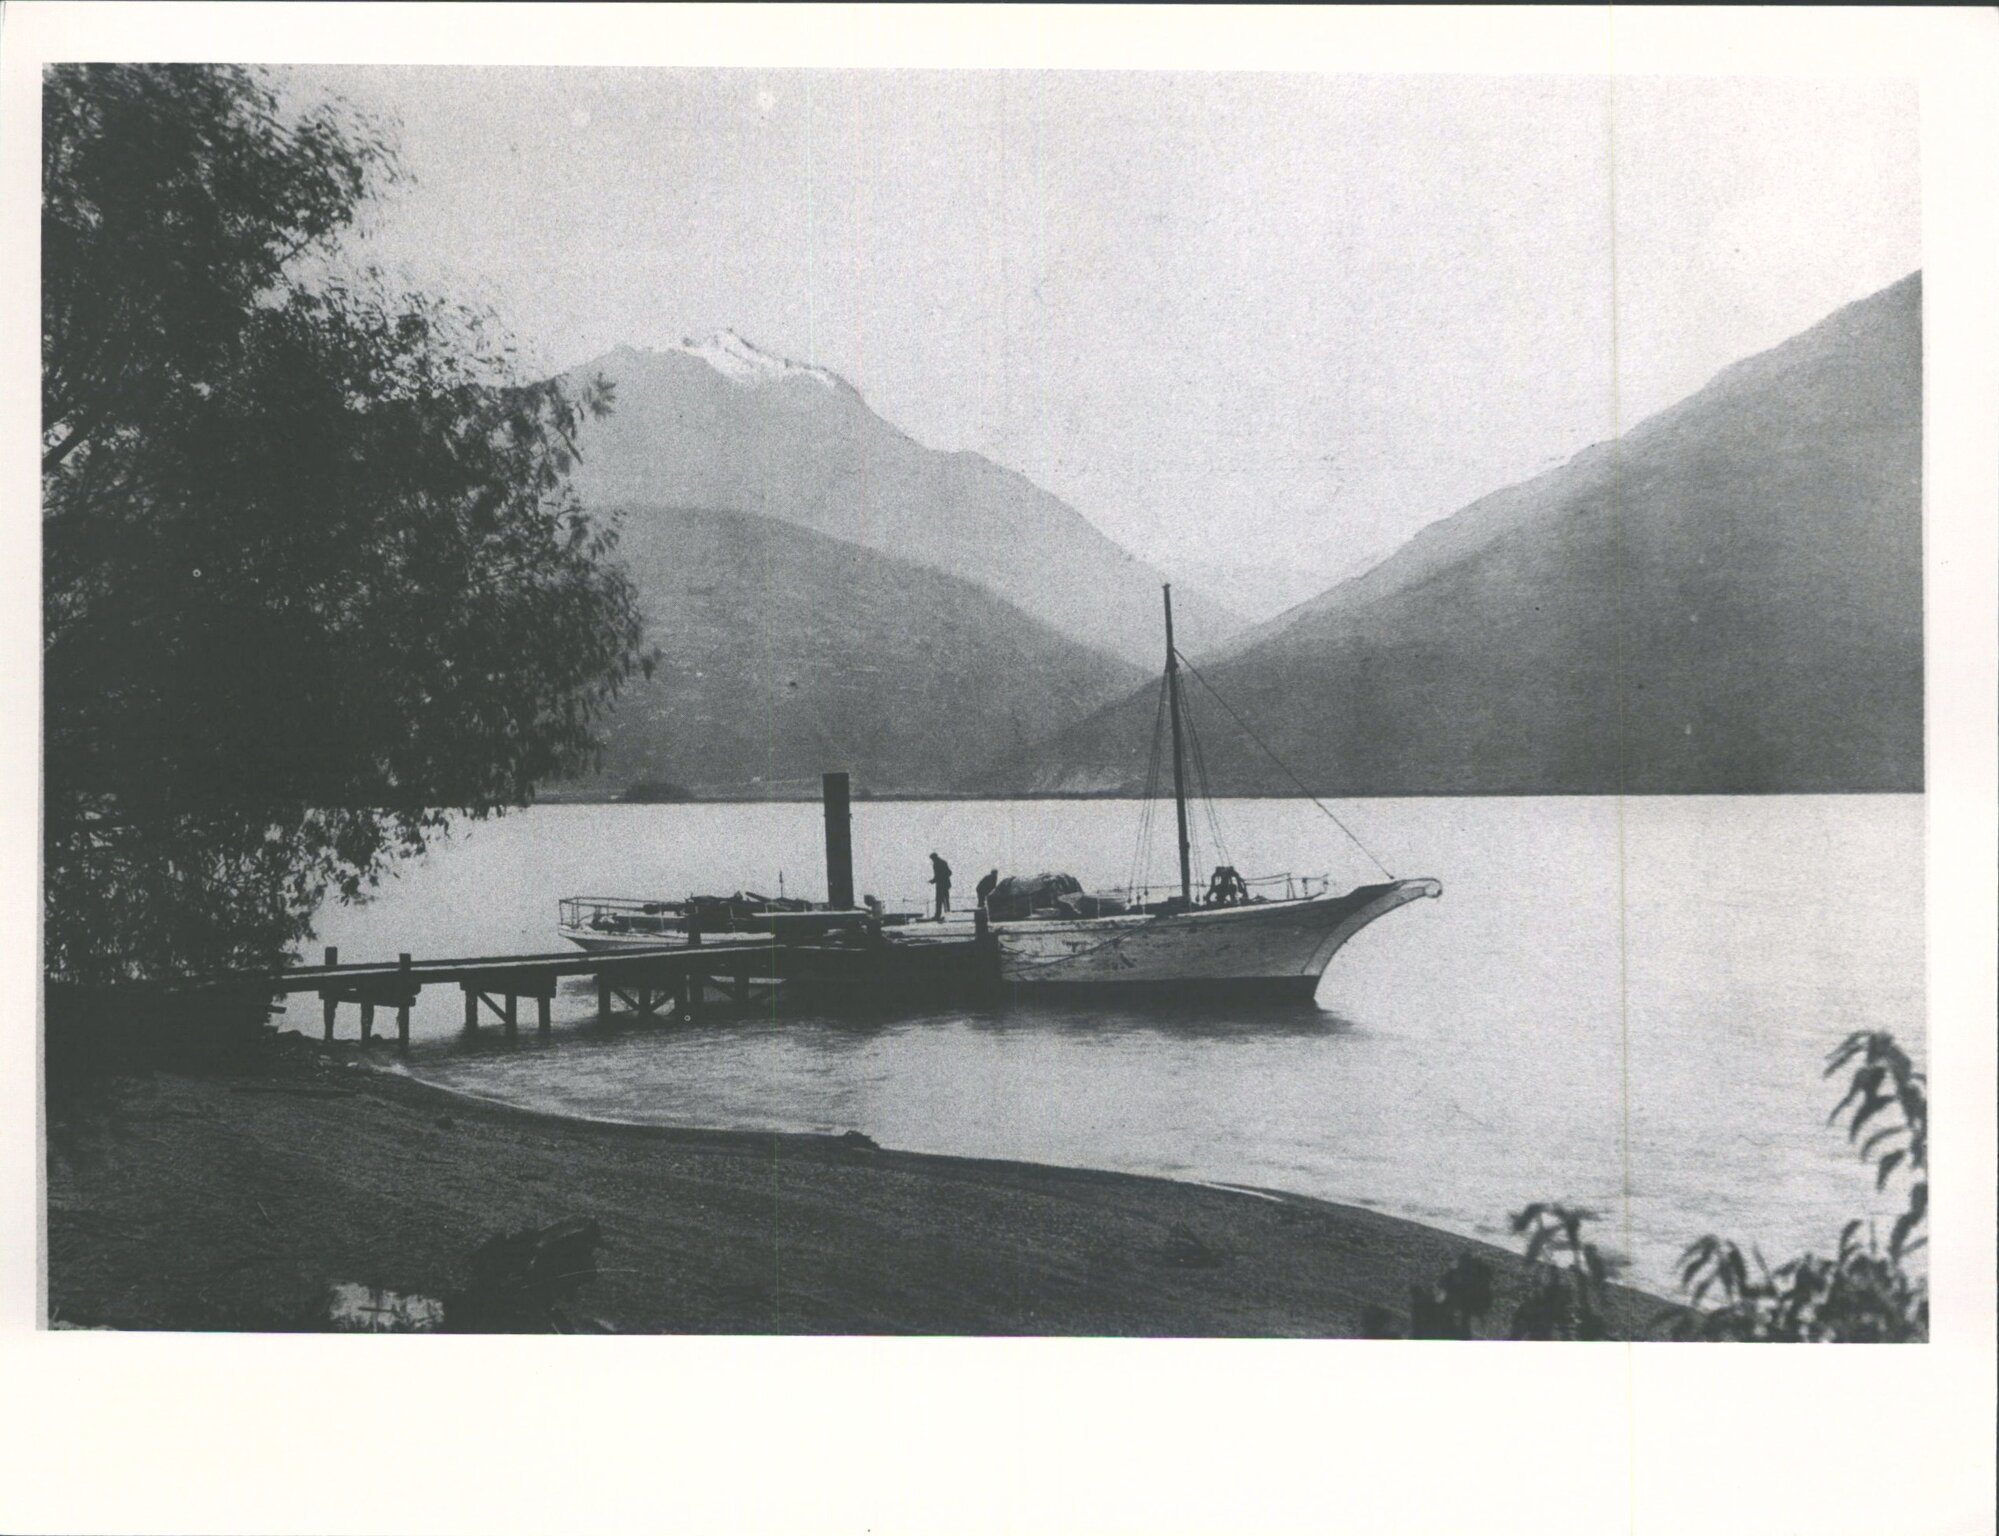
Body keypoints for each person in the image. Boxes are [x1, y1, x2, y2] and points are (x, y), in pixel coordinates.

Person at [928, 852, 953, 921]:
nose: (932, 860)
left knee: (939, 900)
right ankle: (947, 914)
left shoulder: (936, 864)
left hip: (941, 885)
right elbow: (949, 873)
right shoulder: (943, 862)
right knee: (946, 900)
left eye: (932, 859)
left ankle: (937, 915)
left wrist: (933, 881)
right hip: (946, 884)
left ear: (934, 858)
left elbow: (938, 875)